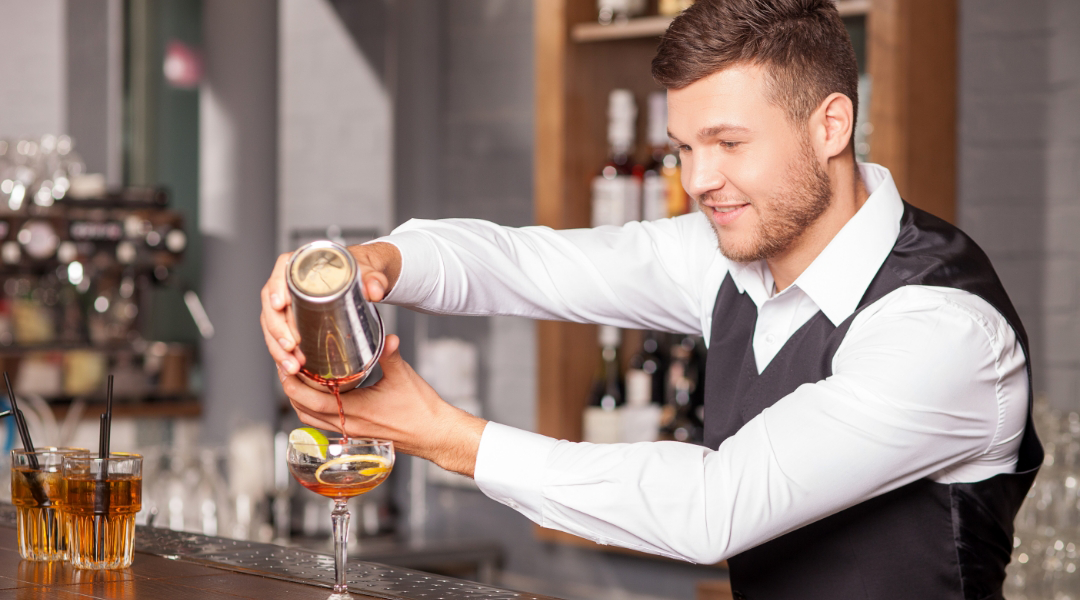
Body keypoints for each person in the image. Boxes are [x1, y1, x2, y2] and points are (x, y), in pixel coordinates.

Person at [261, 1, 1041, 598]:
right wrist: (371, 263)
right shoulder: (728, 254)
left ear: (830, 125)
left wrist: (443, 435)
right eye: (685, 149)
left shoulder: (944, 330)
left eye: (730, 144)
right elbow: (527, 263)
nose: (699, 180)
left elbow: (714, 508)